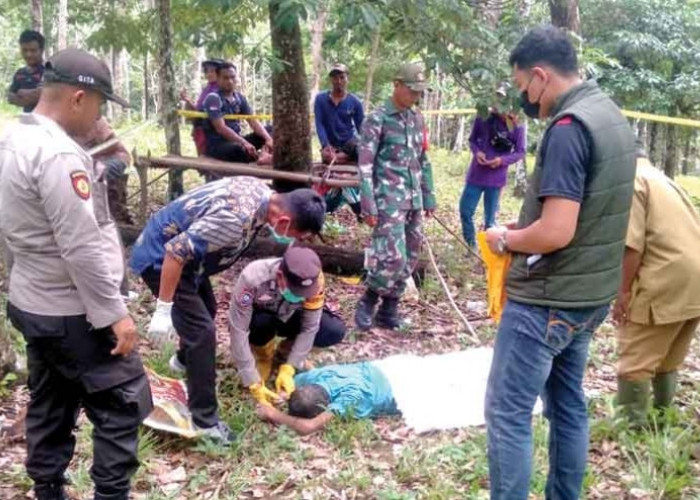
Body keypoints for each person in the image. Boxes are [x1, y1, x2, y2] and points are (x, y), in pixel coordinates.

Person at [482, 26, 636, 500]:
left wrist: (507, 237)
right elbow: (587, 211)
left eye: (524, 85)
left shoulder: (569, 130)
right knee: (568, 406)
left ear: (542, 76)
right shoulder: (609, 115)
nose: (525, 97)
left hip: (548, 300)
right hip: (589, 297)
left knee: (508, 412)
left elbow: (556, 231)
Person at [0, 47, 152, 500]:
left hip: (31, 301)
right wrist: (114, 314)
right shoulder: (58, 154)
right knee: (122, 402)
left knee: (52, 398)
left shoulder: (10, 140)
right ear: (78, 98)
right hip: (73, 309)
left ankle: (48, 489)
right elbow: (80, 245)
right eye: (101, 106)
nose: (99, 119)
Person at [130, 177, 325, 444]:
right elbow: (174, 252)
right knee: (202, 333)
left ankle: (184, 361)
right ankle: (204, 421)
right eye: (297, 237)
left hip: (190, 260)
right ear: (284, 223)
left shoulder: (262, 194)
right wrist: (164, 309)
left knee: (206, 309)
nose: (294, 243)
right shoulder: (235, 220)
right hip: (161, 260)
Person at [612, 143, 700, 424]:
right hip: (693, 280)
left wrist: (623, 291)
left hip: (665, 277)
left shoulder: (631, 182)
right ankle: (663, 416)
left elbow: (631, 246)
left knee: (635, 356)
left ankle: (631, 426)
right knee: (668, 356)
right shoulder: (664, 180)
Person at [354, 62, 436, 331]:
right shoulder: (377, 118)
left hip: (413, 199)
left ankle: (389, 310)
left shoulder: (416, 119)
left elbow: (423, 160)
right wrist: (368, 203)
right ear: (397, 85)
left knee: (411, 255)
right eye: (412, 90)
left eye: (419, 92)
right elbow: (365, 166)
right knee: (392, 256)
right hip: (387, 199)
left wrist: (429, 195)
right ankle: (368, 300)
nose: (416, 97)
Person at [229, 247, 346, 405]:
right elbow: (238, 328)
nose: (301, 295)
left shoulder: (315, 280)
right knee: (259, 323)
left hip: (292, 317)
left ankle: (285, 355)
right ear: (280, 276)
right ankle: (264, 356)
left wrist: (292, 365)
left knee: (332, 330)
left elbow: (310, 326)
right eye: (297, 291)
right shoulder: (252, 278)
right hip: (264, 320)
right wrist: (250, 377)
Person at [73, 117, 134, 299]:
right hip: (81, 171)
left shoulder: (95, 120)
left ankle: (118, 288)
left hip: (105, 167)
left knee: (104, 224)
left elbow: (117, 150)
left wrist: (90, 160)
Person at [255, 360, 398, 435]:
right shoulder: (320, 376)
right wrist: (286, 395)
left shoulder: (349, 397)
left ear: (323, 409)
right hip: (384, 368)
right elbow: (300, 376)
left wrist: (272, 414)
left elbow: (308, 427)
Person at [460, 86, 526, 248]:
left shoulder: (517, 125)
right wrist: (478, 153)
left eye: (503, 100)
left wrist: (501, 160)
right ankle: (471, 245)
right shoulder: (484, 117)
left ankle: (488, 250)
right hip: (476, 175)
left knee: (490, 221)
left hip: (496, 179)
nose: (499, 104)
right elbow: (472, 140)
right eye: (497, 99)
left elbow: (520, 152)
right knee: (465, 211)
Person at [202, 62, 273, 166]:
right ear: (217, 78)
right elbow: (221, 128)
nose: (230, 81)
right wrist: (244, 143)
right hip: (218, 146)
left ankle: (264, 155)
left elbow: (253, 121)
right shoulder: (213, 98)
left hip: (237, 140)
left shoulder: (239, 98)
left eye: (232, 77)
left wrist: (269, 139)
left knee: (271, 129)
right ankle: (258, 157)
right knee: (238, 149)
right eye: (225, 78)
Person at [314, 63, 364, 165]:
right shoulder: (320, 99)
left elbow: (362, 129)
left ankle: (341, 157)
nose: (339, 81)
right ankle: (336, 157)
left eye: (342, 77)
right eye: (335, 78)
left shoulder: (355, 102)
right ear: (331, 80)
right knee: (328, 158)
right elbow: (319, 124)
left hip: (349, 144)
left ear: (347, 79)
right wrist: (325, 145)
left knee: (359, 152)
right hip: (330, 146)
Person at [180, 58, 224, 156]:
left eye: (212, 71)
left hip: (212, 131)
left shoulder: (221, 89)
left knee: (208, 158)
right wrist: (187, 100)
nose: (209, 74)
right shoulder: (207, 88)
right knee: (202, 157)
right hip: (200, 128)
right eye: (207, 71)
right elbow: (199, 110)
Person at [7, 29, 45, 112]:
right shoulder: (20, 73)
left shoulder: (49, 71)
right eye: (25, 50)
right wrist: (32, 95)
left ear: (41, 50)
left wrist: (22, 93)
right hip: (26, 121)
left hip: (47, 121)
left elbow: (46, 95)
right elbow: (10, 97)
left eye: (33, 50)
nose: (28, 54)